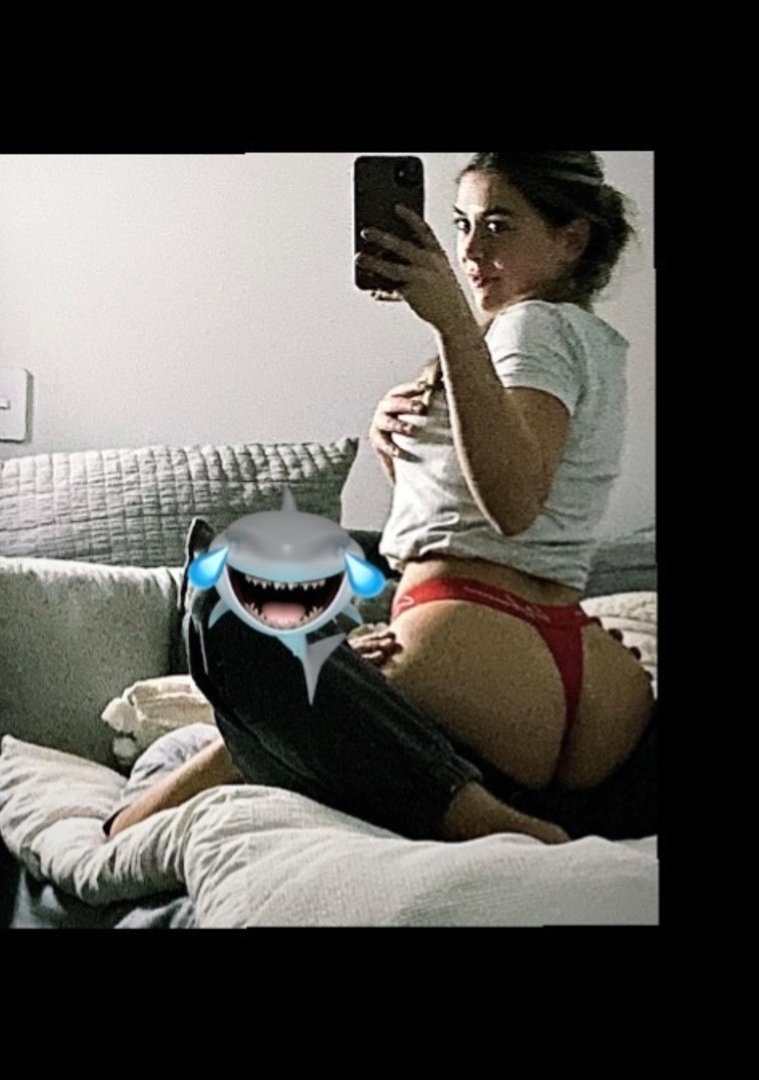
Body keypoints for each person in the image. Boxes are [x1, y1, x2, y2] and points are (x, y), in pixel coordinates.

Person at [107, 151, 655, 845]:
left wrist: (452, 324)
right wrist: (405, 453)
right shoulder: (586, 341)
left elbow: (513, 504)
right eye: (462, 225)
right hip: (582, 692)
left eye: (499, 226)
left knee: (228, 577)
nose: (470, 251)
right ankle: (362, 739)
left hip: (485, 650)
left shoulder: (530, 326)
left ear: (571, 239)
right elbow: (477, 523)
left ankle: (466, 813)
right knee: (309, 598)